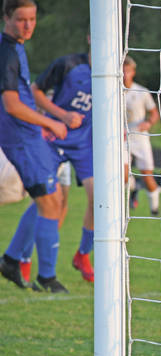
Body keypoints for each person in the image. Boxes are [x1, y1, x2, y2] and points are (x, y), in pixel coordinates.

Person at [0, 0, 69, 293]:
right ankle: (48, 277)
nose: (27, 26)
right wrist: (51, 123)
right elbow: (12, 105)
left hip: (29, 135)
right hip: (21, 138)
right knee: (50, 202)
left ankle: (12, 260)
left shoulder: (15, 48)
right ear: (6, 17)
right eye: (20, 19)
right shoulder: (6, 53)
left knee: (53, 198)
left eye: (32, 19)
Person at [24, 35, 95, 282]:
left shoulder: (114, 75)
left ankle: (83, 254)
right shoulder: (67, 64)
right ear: (89, 38)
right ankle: (23, 258)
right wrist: (61, 116)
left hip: (84, 144)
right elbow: (35, 92)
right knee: (50, 201)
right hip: (54, 137)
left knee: (100, 199)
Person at [123, 55, 160, 216]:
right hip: (121, 139)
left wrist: (148, 123)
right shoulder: (112, 91)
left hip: (140, 138)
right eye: (122, 71)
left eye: (128, 71)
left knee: (147, 177)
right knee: (122, 175)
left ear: (133, 72)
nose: (125, 74)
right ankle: (131, 189)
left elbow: (154, 113)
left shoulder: (142, 92)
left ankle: (155, 210)